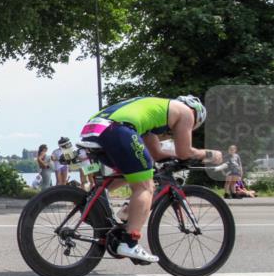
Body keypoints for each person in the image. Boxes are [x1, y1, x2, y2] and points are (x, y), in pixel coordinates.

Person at [78, 95, 223, 263]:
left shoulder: (155, 113)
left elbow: (157, 154)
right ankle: (130, 242)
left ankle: (93, 201)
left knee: (134, 170)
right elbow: (185, 152)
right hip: (117, 130)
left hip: (94, 129)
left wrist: (174, 158)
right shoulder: (187, 113)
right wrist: (210, 155)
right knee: (145, 187)